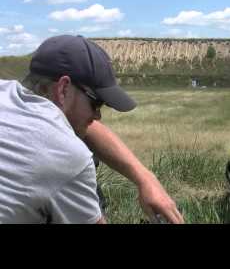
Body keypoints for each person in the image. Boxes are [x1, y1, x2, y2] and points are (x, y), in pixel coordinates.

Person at [0, 35, 183, 224]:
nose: (97, 116)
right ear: (63, 89)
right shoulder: (66, 156)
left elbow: (84, 127)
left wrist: (145, 177)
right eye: (96, 103)